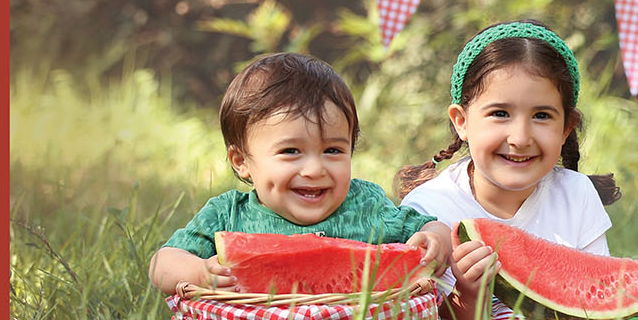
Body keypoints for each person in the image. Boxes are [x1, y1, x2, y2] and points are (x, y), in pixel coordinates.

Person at [397, 20, 638, 320]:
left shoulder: (577, 194)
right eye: (500, 113)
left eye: (541, 116)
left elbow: (596, 302)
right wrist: (469, 295)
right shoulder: (431, 208)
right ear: (462, 122)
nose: (519, 138)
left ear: (566, 128)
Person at [149, 52, 452, 296]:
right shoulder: (226, 215)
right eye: (291, 152)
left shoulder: (367, 204)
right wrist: (201, 273)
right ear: (241, 161)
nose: (314, 169)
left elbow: (430, 228)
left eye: (333, 150)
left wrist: (434, 241)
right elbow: (161, 265)